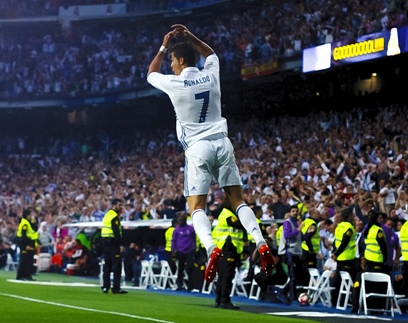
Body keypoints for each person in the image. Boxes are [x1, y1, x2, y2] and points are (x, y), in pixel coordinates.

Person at [147, 24, 276, 287]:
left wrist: (163, 46)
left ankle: (210, 248)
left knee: (196, 207)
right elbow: (210, 53)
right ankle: (261, 242)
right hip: (222, 142)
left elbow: (151, 73)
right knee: (238, 202)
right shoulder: (210, 74)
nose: (171, 65)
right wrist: (190, 36)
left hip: (198, 148)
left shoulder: (175, 82)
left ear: (180, 60)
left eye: (172, 60)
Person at [99, 198, 127, 294]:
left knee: (107, 265)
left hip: (105, 241)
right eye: (119, 205)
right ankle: (116, 288)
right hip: (112, 242)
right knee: (116, 265)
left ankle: (105, 286)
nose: (121, 207)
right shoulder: (114, 216)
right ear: (114, 205)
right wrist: (121, 244)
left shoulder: (107, 214)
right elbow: (116, 232)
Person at [170, 212, 197, 291]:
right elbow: (174, 240)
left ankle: (190, 285)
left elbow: (194, 239)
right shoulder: (176, 229)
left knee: (189, 268)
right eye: (179, 220)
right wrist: (173, 250)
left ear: (185, 220)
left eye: (181, 220)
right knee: (180, 268)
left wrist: (194, 248)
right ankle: (179, 285)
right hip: (180, 251)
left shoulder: (190, 229)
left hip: (190, 251)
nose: (179, 221)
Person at [16, 208, 38, 281]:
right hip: (25, 243)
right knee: (24, 260)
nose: (32, 216)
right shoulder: (24, 223)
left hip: (31, 242)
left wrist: (33, 221)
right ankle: (21, 276)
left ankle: (28, 275)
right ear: (27, 215)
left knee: (29, 260)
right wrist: (26, 245)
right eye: (31, 214)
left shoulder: (29, 222)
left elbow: (35, 228)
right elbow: (24, 235)